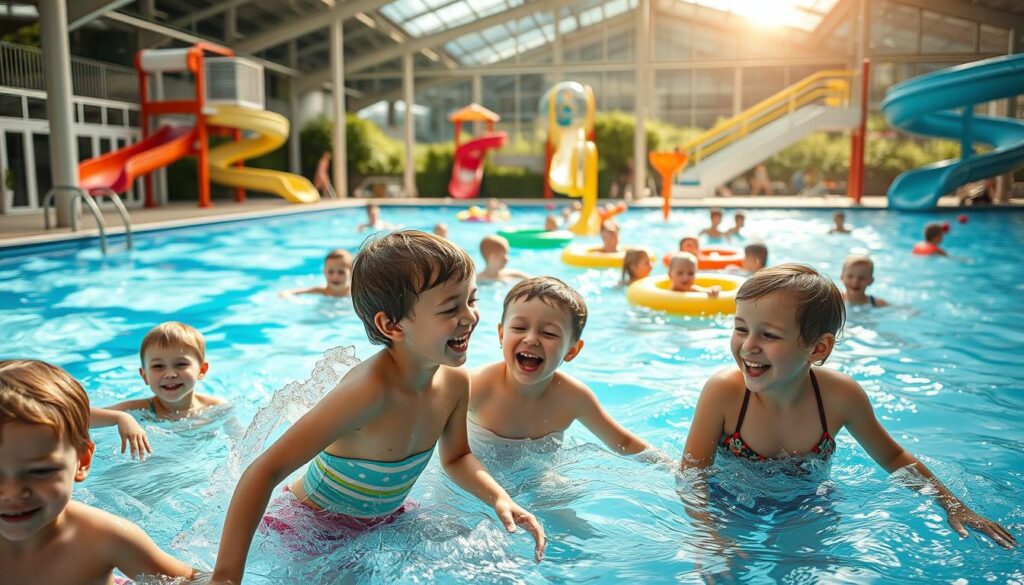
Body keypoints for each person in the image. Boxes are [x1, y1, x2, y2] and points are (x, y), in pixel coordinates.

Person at [209, 231, 545, 584]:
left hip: (388, 518)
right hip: (312, 530)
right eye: (450, 308)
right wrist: (227, 576)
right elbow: (264, 470)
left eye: (471, 300)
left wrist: (500, 498)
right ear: (392, 325)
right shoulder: (367, 393)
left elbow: (457, 457)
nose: (469, 317)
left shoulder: (455, 382)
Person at [680, 265, 1017, 549]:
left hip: (805, 502)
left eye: (768, 335)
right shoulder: (724, 392)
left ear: (817, 348)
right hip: (729, 499)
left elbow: (894, 458)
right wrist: (707, 531)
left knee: (804, 568)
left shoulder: (840, 397)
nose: (748, 346)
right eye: (741, 329)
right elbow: (692, 474)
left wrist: (953, 505)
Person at [0, 360, 196, 584]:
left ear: (82, 461)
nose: (12, 492)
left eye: (40, 471)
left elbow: (196, 581)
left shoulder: (104, 538)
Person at [469, 277, 654, 460]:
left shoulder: (573, 397)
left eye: (549, 333)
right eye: (519, 327)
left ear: (571, 351)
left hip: (540, 484)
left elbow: (624, 443)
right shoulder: (475, 386)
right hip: (469, 488)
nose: (531, 339)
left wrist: (670, 468)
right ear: (502, 335)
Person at [101, 322, 226, 420]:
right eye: (158, 366)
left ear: (201, 370)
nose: (170, 374)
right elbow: (83, 417)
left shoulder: (217, 408)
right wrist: (121, 418)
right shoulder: (136, 411)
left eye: (181, 364)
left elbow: (239, 443)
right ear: (144, 376)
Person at [281, 249, 353, 298]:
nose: (335, 277)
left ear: (351, 273)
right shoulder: (321, 291)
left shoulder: (354, 293)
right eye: (330, 272)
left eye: (341, 272)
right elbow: (286, 293)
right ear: (324, 272)